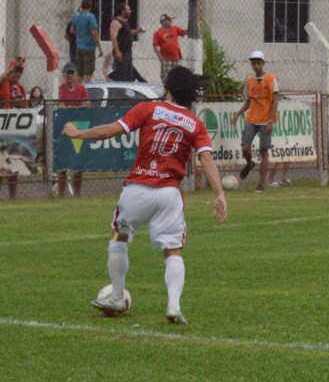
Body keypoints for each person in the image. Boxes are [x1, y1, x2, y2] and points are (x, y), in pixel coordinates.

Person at [62, 66, 228, 324]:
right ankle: (173, 306)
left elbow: (110, 130)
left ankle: (117, 296)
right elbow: (205, 157)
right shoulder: (195, 123)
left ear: (169, 88)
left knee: (119, 236)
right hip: (169, 194)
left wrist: (78, 133)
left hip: (137, 189)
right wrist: (219, 193)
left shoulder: (149, 109)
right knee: (172, 251)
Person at [231, 50, 279, 192]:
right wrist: (238, 114)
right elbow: (249, 101)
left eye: (259, 63)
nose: (256, 65)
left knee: (264, 151)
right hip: (252, 118)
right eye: (254, 63)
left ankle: (261, 184)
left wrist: (271, 120)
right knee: (245, 147)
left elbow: (275, 100)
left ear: (263, 64)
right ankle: (250, 163)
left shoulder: (271, 79)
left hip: (265, 120)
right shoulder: (250, 81)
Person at [56, 62, 89, 198]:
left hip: (79, 129)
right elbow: (60, 107)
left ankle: (77, 195)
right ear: (64, 75)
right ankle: (61, 194)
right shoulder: (60, 89)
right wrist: (76, 109)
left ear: (76, 75)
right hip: (63, 130)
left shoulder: (82, 89)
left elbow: (87, 105)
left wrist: (70, 110)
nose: (69, 76)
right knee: (62, 166)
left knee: (78, 165)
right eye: (67, 73)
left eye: (72, 73)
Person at [0, 56, 28, 200]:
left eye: (20, 71)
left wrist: (22, 105)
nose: (17, 74)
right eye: (15, 71)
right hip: (2, 128)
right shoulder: (4, 83)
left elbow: (26, 108)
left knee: (15, 165)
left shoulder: (22, 88)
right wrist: (12, 67)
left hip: (16, 129)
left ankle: (12, 198)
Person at [71, 0, 104, 83]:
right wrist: (99, 48)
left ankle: (78, 91)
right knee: (88, 72)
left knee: (79, 72)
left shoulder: (76, 16)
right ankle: (87, 90)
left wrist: (81, 34)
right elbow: (94, 33)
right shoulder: (91, 17)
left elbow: (72, 30)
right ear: (90, 7)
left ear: (81, 6)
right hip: (89, 47)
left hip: (79, 46)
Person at [110, 3, 145, 82]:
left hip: (128, 53)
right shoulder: (115, 22)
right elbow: (113, 37)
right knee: (121, 78)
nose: (130, 11)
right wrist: (117, 52)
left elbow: (129, 32)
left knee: (129, 78)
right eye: (128, 10)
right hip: (121, 54)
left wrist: (138, 30)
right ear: (122, 11)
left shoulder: (125, 23)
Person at [153, 14, 187, 84]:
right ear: (163, 21)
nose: (171, 21)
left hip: (176, 58)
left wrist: (191, 26)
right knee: (166, 78)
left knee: (177, 77)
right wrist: (161, 58)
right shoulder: (158, 33)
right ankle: (167, 92)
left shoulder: (175, 28)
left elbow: (184, 32)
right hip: (166, 59)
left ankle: (175, 92)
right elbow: (155, 46)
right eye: (169, 19)